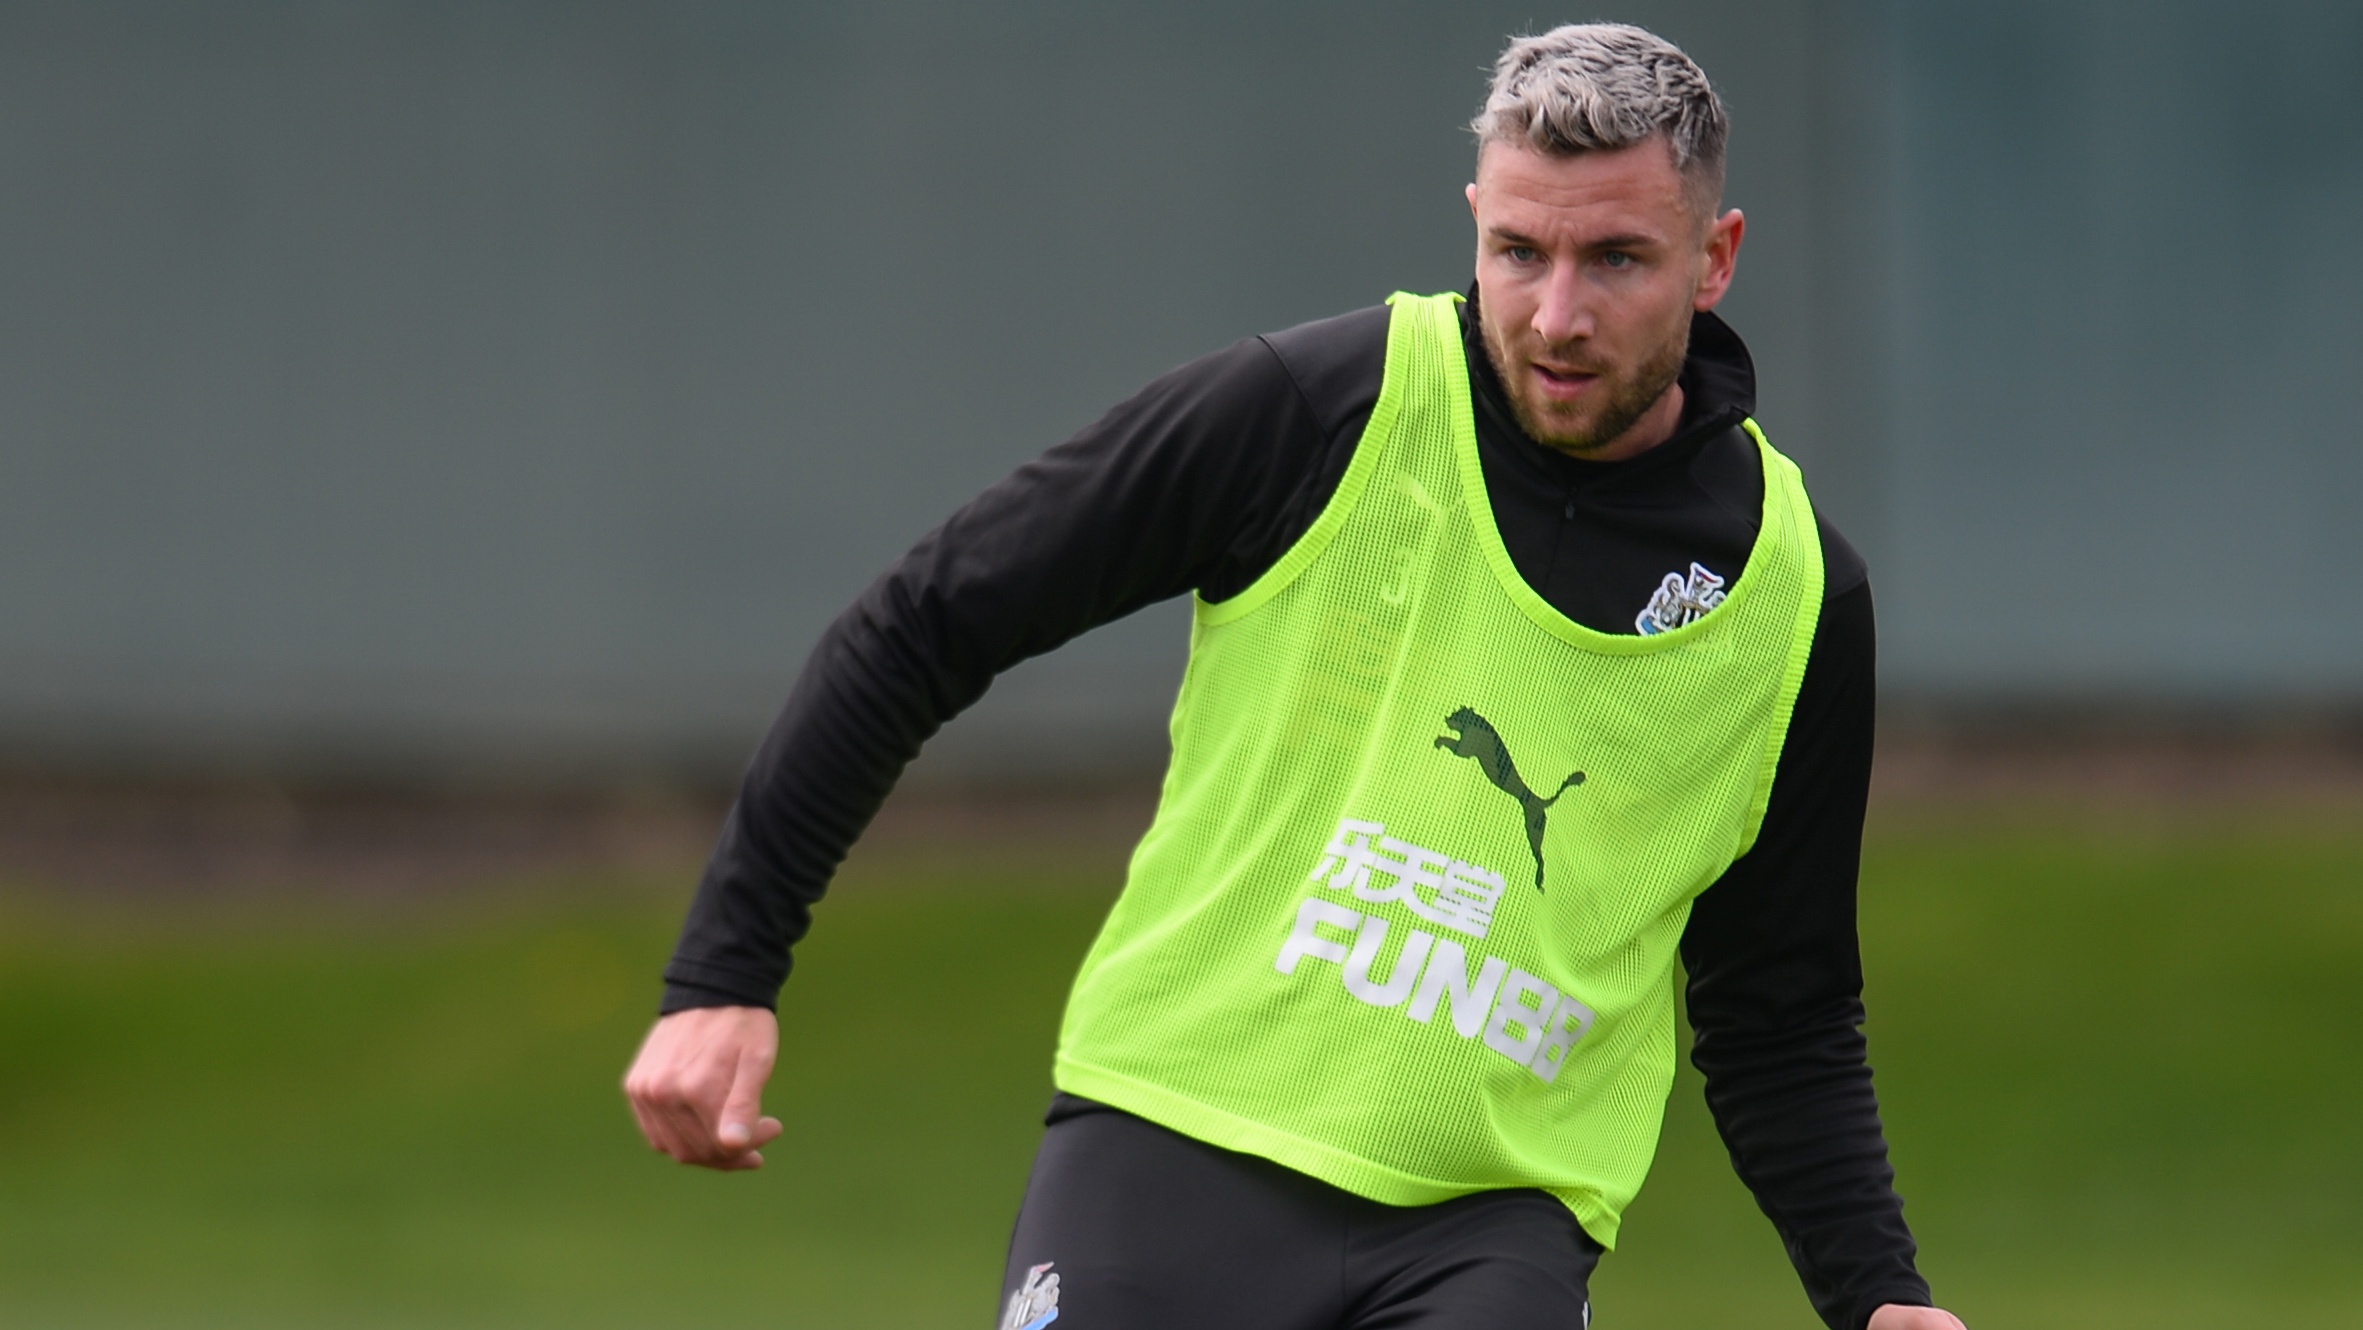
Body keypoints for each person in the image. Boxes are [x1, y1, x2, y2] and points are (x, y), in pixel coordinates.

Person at [625, 22, 1965, 1330]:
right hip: (1170, 1142)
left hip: (1494, 1223)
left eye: (1616, 258)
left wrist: (1881, 1293)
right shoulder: (1320, 411)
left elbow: (1777, 1007)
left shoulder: (1794, 595)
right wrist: (724, 972)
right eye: (1518, 251)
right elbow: (931, 619)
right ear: (1474, 224)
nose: (1557, 315)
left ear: (1713, 258)